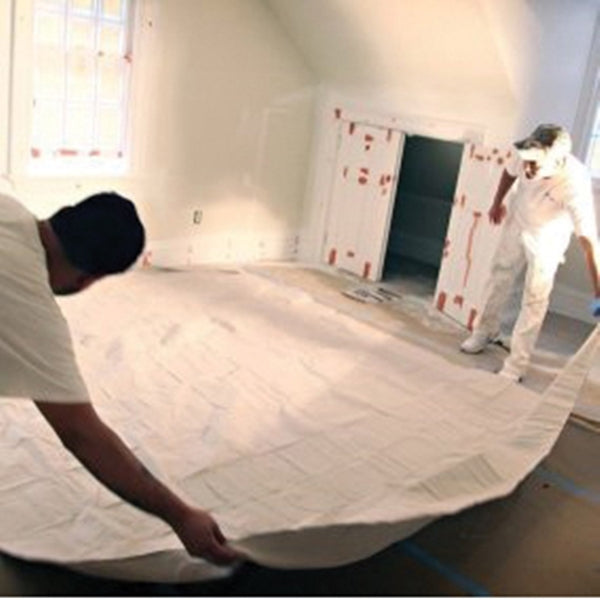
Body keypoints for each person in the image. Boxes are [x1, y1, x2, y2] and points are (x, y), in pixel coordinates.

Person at [0, 191, 241, 565]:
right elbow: (82, 434)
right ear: (88, 280)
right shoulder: (30, 310)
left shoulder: (7, 208)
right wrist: (181, 516)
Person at [460, 124, 600, 382]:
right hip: (518, 219)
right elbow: (509, 172)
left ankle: (516, 364)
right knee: (498, 276)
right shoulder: (527, 151)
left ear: (557, 161)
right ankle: (485, 330)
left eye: (535, 164)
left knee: (535, 297)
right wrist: (497, 202)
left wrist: (599, 289)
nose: (527, 167)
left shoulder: (575, 182)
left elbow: (588, 240)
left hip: (548, 237)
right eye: (526, 161)